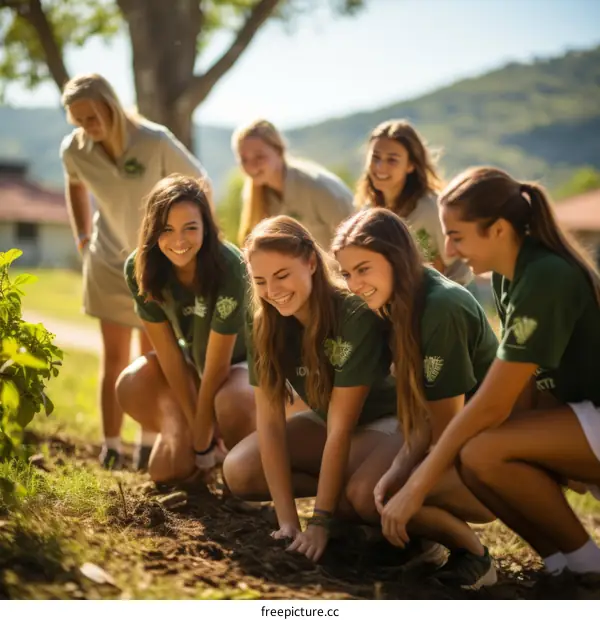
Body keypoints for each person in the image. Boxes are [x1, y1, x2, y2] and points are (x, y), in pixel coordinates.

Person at [379, 166, 600, 582]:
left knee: (480, 449)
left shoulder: (547, 275)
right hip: (582, 418)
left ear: (498, 229)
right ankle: (561, 566)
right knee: (477, 453)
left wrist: (417, 487)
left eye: (457, 235)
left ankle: (589, 566)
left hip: (592, 418)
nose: (448, 249)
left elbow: (493, 402)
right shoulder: (505, 275)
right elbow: (526, 389)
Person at [332, 208, 499, 589]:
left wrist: (407, 487)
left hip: (487, 459)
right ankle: (418, 542)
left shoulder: (442, 307)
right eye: (347, 273)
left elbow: (445, 431)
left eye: (364, 269)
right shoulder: (394, 302)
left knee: (375, 495)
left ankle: (475, 556)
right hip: (441, 436)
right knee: (361, 494)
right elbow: (421, 416)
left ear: (395, 258)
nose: (354, 284)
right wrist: (398, 466)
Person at [222, 215, 398, 563]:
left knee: (358, 493)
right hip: (330, 424)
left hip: (386, 423)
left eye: (282, 275)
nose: (272, 291)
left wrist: (319, 521)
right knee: (239, 470)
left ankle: (354, 510)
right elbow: (270, 423)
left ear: (312, 263)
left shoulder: (353, 314)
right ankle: (344, 505)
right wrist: (287, 521)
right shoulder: (263, 322)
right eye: (260, 281)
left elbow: (341, 427)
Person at [60, 73, 211, 469]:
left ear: (111, 107)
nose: (87, 129)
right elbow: (74, 185)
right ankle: (111, 447)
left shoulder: (154, 140)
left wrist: (190, 241)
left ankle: (147, 446)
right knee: (112, 357)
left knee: (150, 357)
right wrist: (81, 236)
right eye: (78, 122)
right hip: (107, 261)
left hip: (152, 264)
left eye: (92, 118)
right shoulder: (75, 150)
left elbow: (201, 182)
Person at [116, 174, 255, 483]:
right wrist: (196, 431)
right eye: (167, 229)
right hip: (194, 363)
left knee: (232, 402)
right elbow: (168, 356)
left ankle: (240, 464)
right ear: (153, 231)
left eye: (190, 228)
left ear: (206, 226)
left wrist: (203, 438)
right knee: (167, 472)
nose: (179, 241)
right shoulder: (139, 268)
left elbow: (218, 366)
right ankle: (201, 448)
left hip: (241, 366)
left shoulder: (230, 266)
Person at [355, 120, 473, 289]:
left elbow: (460, 267)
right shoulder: (366, 213)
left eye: (392, 160)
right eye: (375, 157)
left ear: (410, 165)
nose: (380, 167)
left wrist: (441, 303)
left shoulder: (432, 209)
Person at [233, 119, 353, 248]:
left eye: (259, 156)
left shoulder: (318, 188)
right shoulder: (256, 198)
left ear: (279, 151)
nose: (251, 166)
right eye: (244, 159)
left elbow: (354, 242)